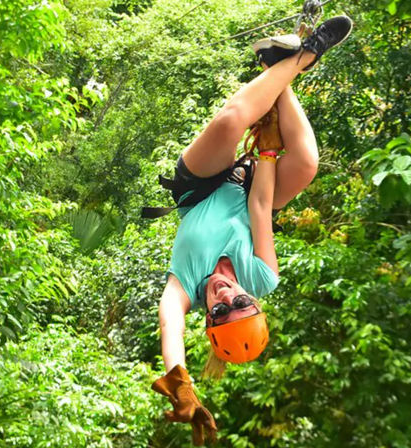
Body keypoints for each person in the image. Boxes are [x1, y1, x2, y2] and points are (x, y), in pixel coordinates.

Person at [149, 15, 354, 446]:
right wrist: (269, 149)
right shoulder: (263, 276)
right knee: (308, 165)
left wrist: (180, 383)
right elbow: (261, 206)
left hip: (199, 187)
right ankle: (284, 65)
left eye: (220, 312)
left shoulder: (183, 288)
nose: (225, 297)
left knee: (229, 123)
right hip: (248, 190)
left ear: (207, 320)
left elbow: (169, 323)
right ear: (252, 298)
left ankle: (292, 61)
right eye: (241, 302)